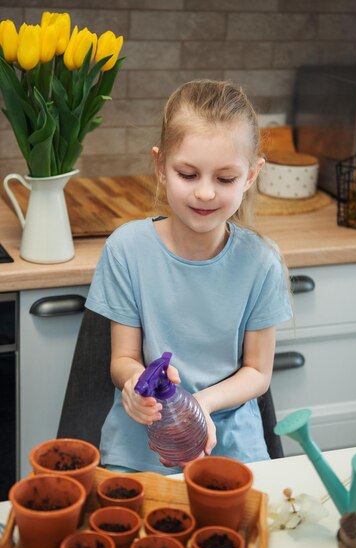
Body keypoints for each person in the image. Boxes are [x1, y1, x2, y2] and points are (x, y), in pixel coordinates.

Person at [85, 79, 292, 474]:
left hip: (233, 447)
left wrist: (201, 404)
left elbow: (257, 373)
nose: (205, 194)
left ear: (251, 176)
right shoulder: (127, 249)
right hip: (139, 451)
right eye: (188, 174)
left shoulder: (260, 261)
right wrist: (132, 385)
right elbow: (124, 359)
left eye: (225, 179)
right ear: (161, 167)